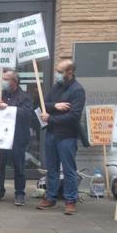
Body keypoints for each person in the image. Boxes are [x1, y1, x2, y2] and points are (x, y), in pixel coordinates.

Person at [38, 60, 85, 215]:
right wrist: (55, 106)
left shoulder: (77, 90)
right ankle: (50, 197)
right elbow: (44, 103)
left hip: (67, 136)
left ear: (70, 72)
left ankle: (70, 200)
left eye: (60, 71)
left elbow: (74, 116)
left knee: (68, 169)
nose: (57, 74)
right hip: (51, 133)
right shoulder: (56, 87)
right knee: (51, 168)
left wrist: (50, 118)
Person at [0, 70, 33, 205]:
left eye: (6, 79)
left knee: (19, 166)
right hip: (2, 136)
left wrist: (7, 107)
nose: (2, 81)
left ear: (14, 81)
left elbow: (26, 114)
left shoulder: (25, 97)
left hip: (17, 137)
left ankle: (19, 193)